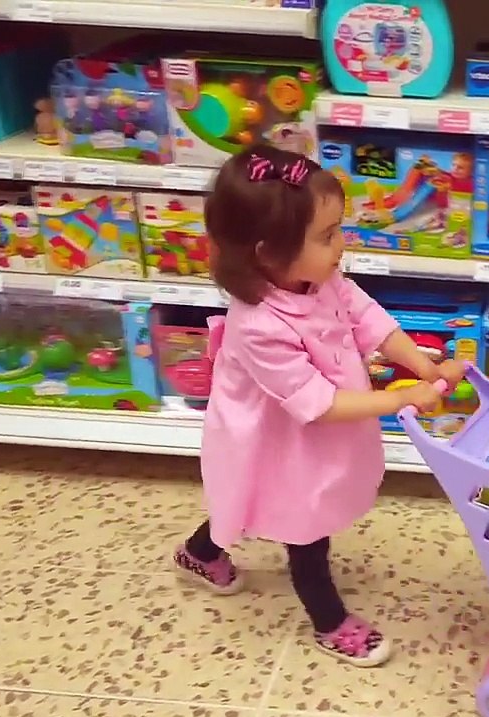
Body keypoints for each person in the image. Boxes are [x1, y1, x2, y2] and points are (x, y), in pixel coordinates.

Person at [171, 145, 464, 668]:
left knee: (252, 497)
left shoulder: (322, 279)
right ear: (268, 254)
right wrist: (401, 398)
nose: (341, 246)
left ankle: (200, 552)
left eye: (339, 229)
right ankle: (330, 622)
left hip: (301, 430)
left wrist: (420, 364)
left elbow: (368, 318)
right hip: (274, 432)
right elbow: (319, 403)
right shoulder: (259, 325)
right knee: (304, 526)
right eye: (328, 236)